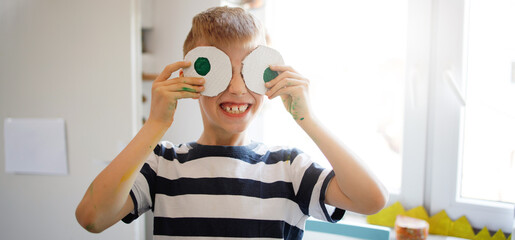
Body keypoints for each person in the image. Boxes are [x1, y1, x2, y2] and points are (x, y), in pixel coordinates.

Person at [75, 6, 388, 239]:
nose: (238, 89)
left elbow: (372, 199)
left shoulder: (290, 168)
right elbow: (92, 218)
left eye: (251, 70)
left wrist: (309, 120)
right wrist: (155, 124)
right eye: (219, 70)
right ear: (191, 78)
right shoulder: (161, 165)